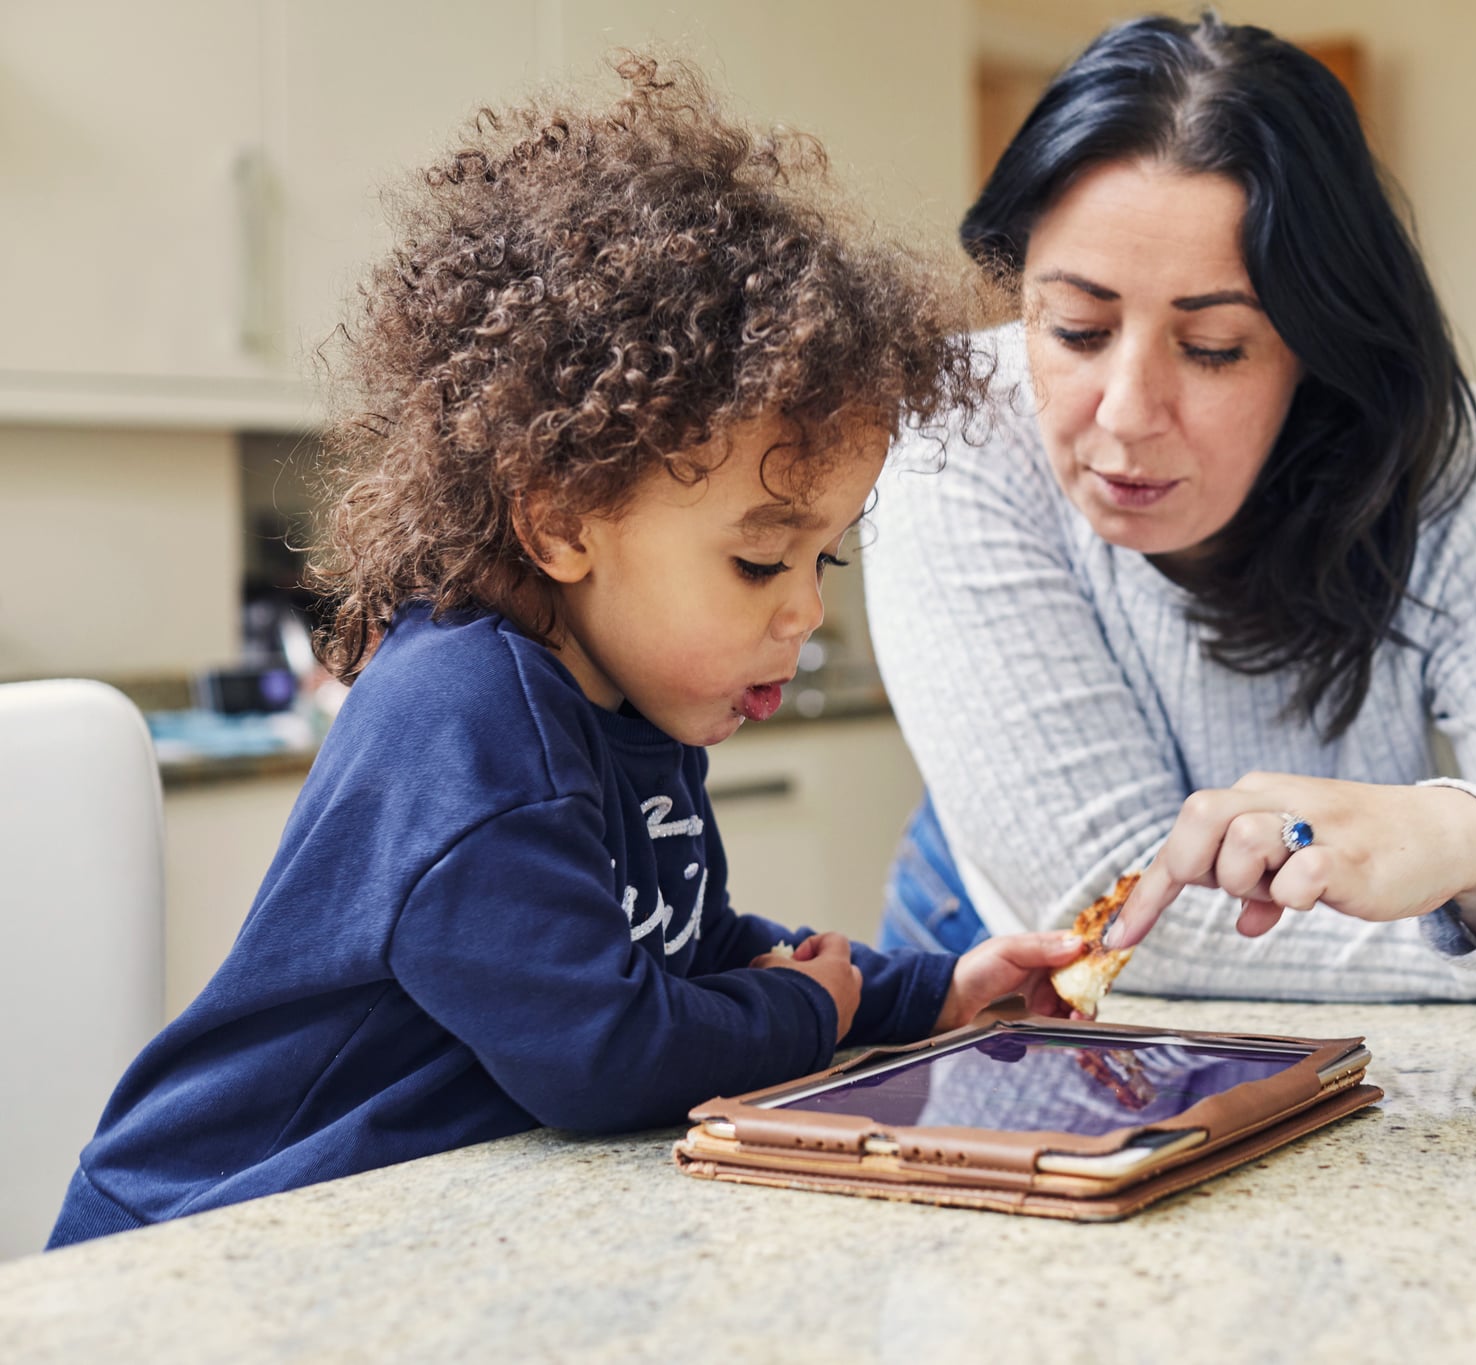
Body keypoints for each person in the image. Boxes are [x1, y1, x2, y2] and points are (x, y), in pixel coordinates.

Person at [47, 55, 1084, 1250]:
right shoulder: (464, 719)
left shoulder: (630, 701)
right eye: (758, 562)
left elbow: (682, 953)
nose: (801, 612)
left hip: (389, 1233)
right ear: (559, 521)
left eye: (822, 562)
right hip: (198, 1251)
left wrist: (927, 995)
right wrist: (805, 1013)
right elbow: (608, 1051)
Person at [865, 14, 1476, 1029]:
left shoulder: (1444, 472)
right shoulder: (955, 430)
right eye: (1076, 331)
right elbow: (1109, 911)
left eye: (1214, 347)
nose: (1126, 412)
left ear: (1314, 350)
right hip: (994, 995)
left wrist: (1458, 844)